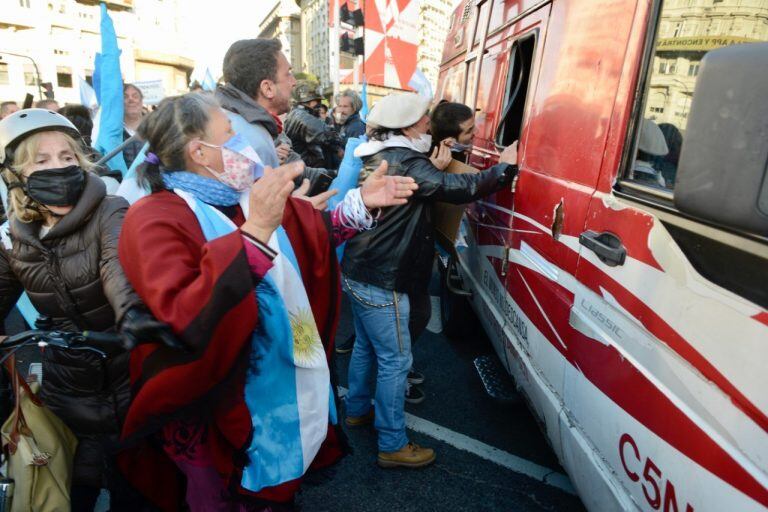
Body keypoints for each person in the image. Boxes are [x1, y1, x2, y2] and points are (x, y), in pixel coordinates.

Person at [116, 92, 418, 511]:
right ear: (199, 152)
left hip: (273, 381)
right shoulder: (153, 216)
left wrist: (362, 202)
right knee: (220, 495)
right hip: (211, 400)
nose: (242, 145)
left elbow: (308, 234)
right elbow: (185, 313)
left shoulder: (238, 198)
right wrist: (256, 229)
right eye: (230, 134)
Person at [0, 108, 179, 510]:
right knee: (68, 489)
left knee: (139, 490)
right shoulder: (14, 238)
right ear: (13, 175)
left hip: (127, 381)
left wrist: (131, 315)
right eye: (41, 161)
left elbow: (118, 269)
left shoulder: (110, 210)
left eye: (67, 157)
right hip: (66, 392)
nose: (59, 169)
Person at [341, 92, 519, 469]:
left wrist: (434, 165)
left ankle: (357, 410)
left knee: (367, 350)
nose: (429, 123)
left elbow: (429, 181)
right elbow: (457, 188)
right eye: (424, 119)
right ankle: (392, 444)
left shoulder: (385, 152)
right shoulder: (406, 160)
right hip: (383, 276)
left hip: (362, 270)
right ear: (407, 127)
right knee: (395, 361)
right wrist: (504, 169)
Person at [215, 38, 332, 191]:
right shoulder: (256, 141)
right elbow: (269, 212)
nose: (294, 82)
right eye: (288, 74)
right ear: (268, 88)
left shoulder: (225, 121)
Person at [284, 80, 343, 169]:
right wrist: (342, 140)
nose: (319, 104)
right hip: (306, 171)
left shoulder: (299, 114)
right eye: (317, 100)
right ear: (307, 100)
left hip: (307, 168)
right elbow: (324, 132)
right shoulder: (300, 116)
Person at [122, 83, 146, 168]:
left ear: (141, 101)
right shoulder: (114, 133)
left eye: (135, 96)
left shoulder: (155, 128)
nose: (131, 99)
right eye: (125, 97)